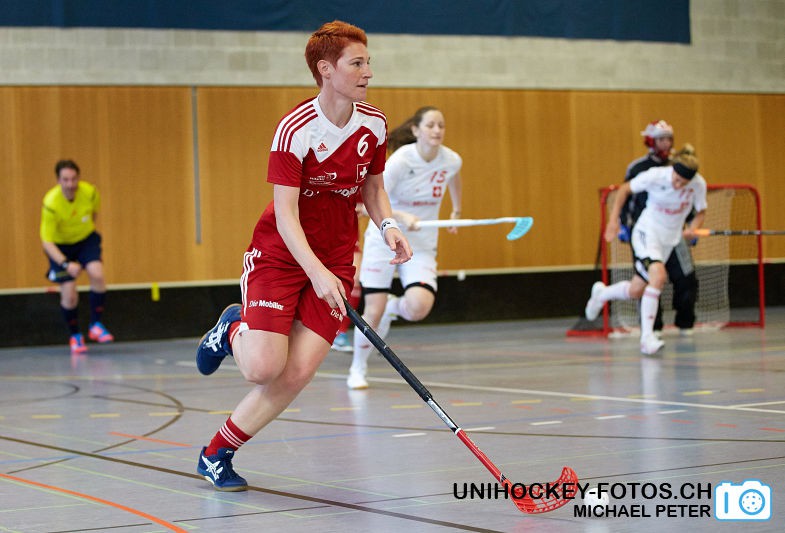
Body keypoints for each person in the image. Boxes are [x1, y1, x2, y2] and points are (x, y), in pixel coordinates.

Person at [194, 20, 412, 491]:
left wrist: (388, 226)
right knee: (261, 368)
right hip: (281, 254)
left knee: (294, 374)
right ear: (326, 69)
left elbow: (373, 190)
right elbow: (285, 214)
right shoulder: (295, 129)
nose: (368, 72)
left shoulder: (373, 124)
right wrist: (314, 272)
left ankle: (217, 453)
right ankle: (231, 327)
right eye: (358, 63)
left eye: (369, 61)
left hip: (333, 258)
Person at [347, 106, 462, 389]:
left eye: (441, 125)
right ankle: (358, 368)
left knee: (419, 307)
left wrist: (456, 211)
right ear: (415, 130)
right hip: (385, 239)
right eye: (431, 125)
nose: (437, 130)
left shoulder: (451, 160)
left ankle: (393, 307)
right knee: (372, 311)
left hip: (421, 245)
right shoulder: (401, 160)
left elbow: (454, 180)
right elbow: (373, 197)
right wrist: (400, 217)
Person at [584, 146, 707, 355]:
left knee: (636, 290)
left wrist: (693, 228)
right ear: (672, 170)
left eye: (683, 183)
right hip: (646, 233)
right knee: (658, 276)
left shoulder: (698, 184)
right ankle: (647, 338)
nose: (678, 185)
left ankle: (602, 294)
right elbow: (624, 190)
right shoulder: (655, 176)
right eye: (676, 179)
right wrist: (613, 221)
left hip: (669, 241)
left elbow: (701, 210)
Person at [619, 120, 698, 334]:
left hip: (674, 232)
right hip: (646, 232)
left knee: (686, 278)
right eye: (661, 139)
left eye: (669, 139)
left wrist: (692, 225)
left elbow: (690, 199)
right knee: (649, 280)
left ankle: (685, 323)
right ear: (651, 141)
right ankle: (652, 329)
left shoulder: (680, 167)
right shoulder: (639, 168)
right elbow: (626, 196)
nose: (666, 144)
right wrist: (622, 224)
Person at [40, 159, 114, 354]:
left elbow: (93, 215)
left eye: (73, 179)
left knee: (97, 274)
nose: (70, 184)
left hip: (84, 240)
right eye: (65, 180)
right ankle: (75, 336)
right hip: (60, 247)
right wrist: (65, 263)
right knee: (69, 294)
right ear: (58, 181)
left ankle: (95, 325)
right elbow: (46, 242)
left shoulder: (90, 193)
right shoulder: (50, 204)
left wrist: (84, 233)